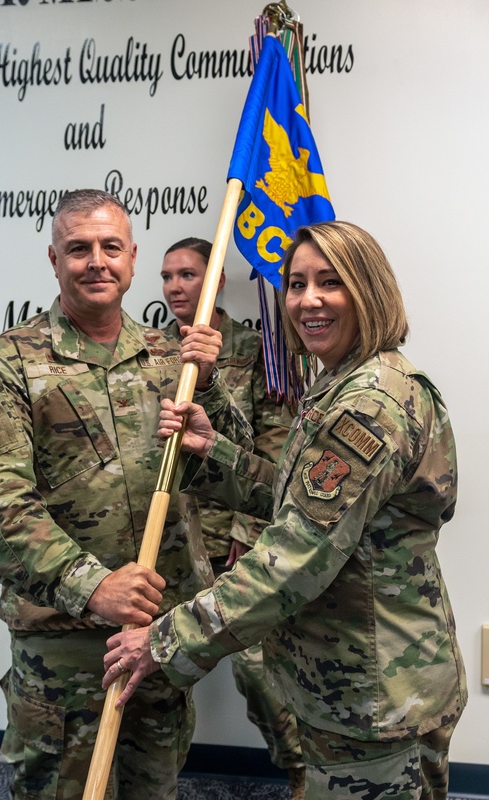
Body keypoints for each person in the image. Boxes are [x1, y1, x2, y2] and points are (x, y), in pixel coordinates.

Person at [104, 221, 467, 800]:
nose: (307, 300)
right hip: (353, 682)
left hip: (373, 694)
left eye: (330, 282)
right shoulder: (342, 383)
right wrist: (214, 450)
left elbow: (295, 555)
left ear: (369, 289)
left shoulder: (370, 404)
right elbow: (294, 500)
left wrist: (165, 640)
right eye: (296, 284)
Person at [0, 189, 236, 800]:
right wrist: (94, 587)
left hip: (158, 634)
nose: (96, 261)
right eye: (78, 248)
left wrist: (210, 389)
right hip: (68, 647)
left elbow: (226, 476)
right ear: (53, 260)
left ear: (133, 259)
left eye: (111, 247)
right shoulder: (8, 366)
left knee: (154, 787)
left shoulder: (171, 358)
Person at [159, 237, 305, 796]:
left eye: (188, 275)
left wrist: (248, 533)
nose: (175, 286)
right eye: (167, 276)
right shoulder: (149, 351)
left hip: (232, 537)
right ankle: (158, 776)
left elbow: (278, 453)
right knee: (162, 662)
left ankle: (300, 771)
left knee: (256, 669)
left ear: (215, 281)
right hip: (168, 533)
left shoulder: (258, 349)